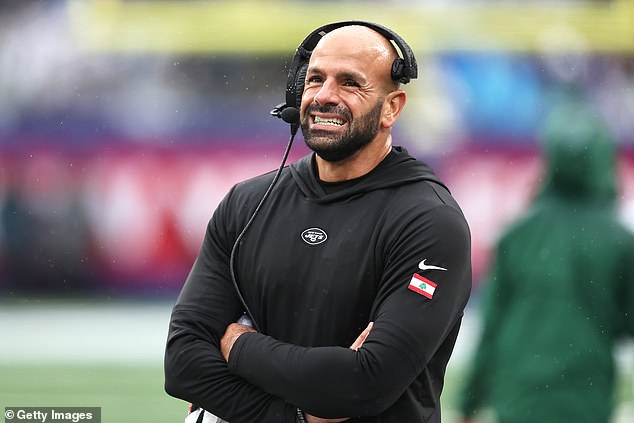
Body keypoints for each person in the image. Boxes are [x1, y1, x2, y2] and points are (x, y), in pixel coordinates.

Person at [165, 22, 471, 423]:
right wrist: (296, 417)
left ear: (392, 108)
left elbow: (366, 383)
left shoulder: (429, 221)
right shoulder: (248, 202)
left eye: (350, 83)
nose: (325, 96)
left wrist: (239, 347)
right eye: (314, 79)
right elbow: (182, 362)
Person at [458, 99, 634, 423]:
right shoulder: (619, 240)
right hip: (586, 399)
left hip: (519, 399)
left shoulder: (518, 235)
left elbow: (491, 328)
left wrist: (469, 401)